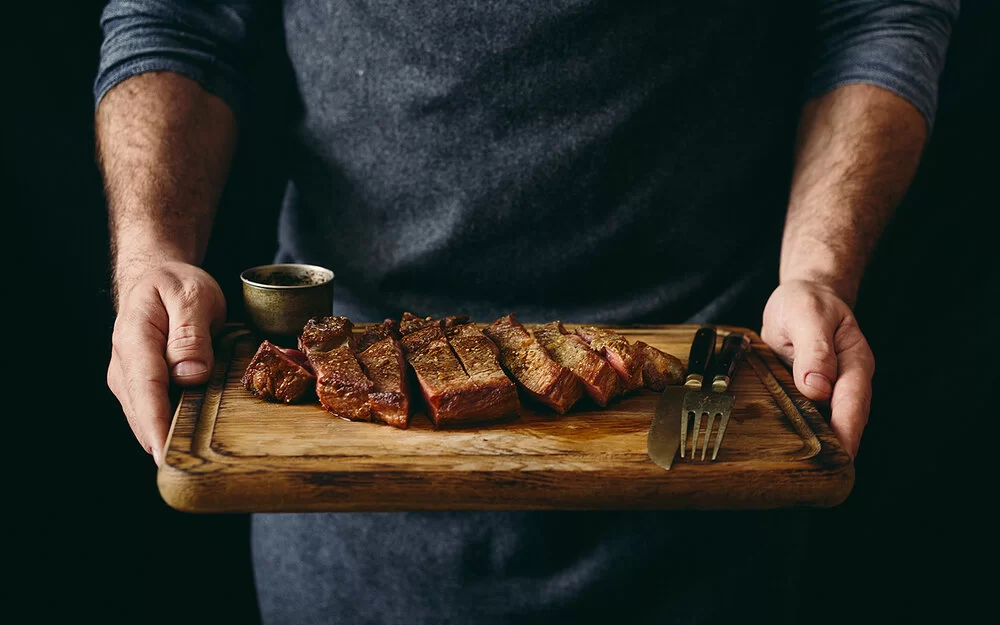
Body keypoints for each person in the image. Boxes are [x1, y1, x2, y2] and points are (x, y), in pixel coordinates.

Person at [95, 1, 958, 622]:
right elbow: (178, 17)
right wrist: (152, 254)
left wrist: (819, 270)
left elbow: (875, 13)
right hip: (347, 488)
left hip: (699, 451)